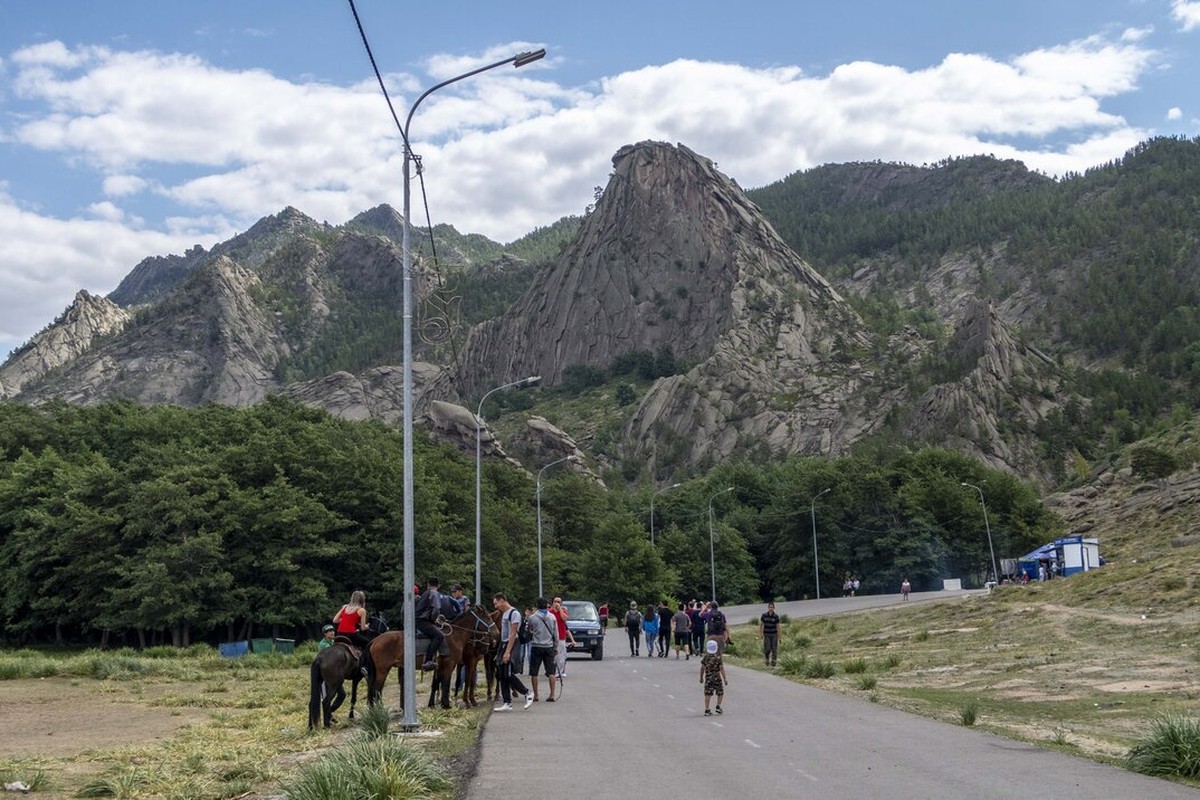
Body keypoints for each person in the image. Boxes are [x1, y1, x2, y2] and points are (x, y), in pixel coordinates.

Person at [492, 592, 532, 711]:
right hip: (504, 644)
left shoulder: (514, 614)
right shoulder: (504, 614)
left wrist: (507, 652)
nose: (495, 606)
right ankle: (507, 702)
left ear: (502, 600)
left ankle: (527, 693)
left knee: (508, 674)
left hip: (512, 645)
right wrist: (500, 652)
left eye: (496, 603)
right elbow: (503, 635)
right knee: (502, 674)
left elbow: (513, 634)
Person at [527, 597, 559, 702]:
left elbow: (530, 629)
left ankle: (536, 695)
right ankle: (552, 694)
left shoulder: (532, 617)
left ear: (537, 606)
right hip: (549, 646)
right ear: (547, 605)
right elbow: (555, 634)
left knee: (534, 672)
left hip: (536, 646)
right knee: (551, 672)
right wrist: (555, 647)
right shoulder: (552, 617)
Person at [414, 577, 446, 670]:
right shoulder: (434, 593)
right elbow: (436, 610)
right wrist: (434, 620)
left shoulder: (426, 593)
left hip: (419, 619)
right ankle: (428, 660)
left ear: (428, 584)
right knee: (439, 636)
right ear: (438, 585)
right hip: (422, 621)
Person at [699, 639, 728, 716]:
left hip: (708, 678)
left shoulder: (706, 658)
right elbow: (721, 668)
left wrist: (701, 677)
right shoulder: (718, 658)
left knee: (708, 694)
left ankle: (707, 709)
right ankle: (718, 706)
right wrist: (724, 678)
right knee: (720, 692)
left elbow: (702, 668)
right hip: (717, 678)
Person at [550, 596, 576, 680]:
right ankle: (552, 671)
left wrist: (559, 609)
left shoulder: (563, 611)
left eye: (558, 601)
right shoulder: (549, 612)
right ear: (552, 602)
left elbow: (564, 618)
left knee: (560, 656)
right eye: (555, 601)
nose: (557, 603)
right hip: (551, 637)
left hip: (561, 637)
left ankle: (559, 673)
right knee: (553, 656)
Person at [758, 601, 780, 667]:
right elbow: (761, 625)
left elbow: (778, 626)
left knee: (774, 649)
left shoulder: (776, 616)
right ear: (768, 607)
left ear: (774, 608)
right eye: (770, 607)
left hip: (774, 634)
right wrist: (761, 634)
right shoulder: (764, 615)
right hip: (767, 634)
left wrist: (779, 636)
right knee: (767, 649)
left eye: (772, 607)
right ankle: (767, 659)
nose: (771, 608)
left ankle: (773, 663)